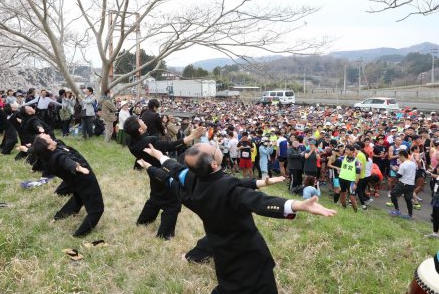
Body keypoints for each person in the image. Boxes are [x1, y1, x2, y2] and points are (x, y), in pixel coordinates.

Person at [138, 143, 336, 294]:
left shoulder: (192, 183)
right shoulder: (227, 188)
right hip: (249, 256)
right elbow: (260, 203)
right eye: (214, 148)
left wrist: (157, 156)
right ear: (214, 163)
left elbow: (173, 170)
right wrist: (298, 205)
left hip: (223, 253)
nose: (217, 147)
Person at [123, 115, 204, 239]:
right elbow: (170, 145)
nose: (143, 120)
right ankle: (164, 235)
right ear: (140, 129)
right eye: (140, 121)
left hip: (151, 170)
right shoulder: (150, 141)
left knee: (155, 196)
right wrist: (191, 137)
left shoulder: (131, 140)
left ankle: (144, 221)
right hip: (163, 170)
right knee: (173, 203)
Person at [25, 133, 104, 237]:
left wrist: (27, 148)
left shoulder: (47, 151)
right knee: (96, 210)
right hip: (84, 180)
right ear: (49, 146)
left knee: (78, 198)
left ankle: (58, 217)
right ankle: (79, 235)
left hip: (74, 181)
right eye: (48, 138)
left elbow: (35, 149)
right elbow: (67, 162)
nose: (48, 135)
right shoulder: (56, 156)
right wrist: (79, 168)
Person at [389, 149, 417, 219]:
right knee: (408, 199)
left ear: (402, 156)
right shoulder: (413, 163)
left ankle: (397, 210)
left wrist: (395, 170)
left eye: (399, 157)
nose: (398, 158)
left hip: (403, 183)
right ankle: (410, 215)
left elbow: (399, 175)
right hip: (411, 184)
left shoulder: (403, 164)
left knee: (393, 194)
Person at [338, 145, 361, 212]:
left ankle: (356, 211)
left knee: (352, 197)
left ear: (352, 151)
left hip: (351, 181)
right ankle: (344, 208)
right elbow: (334, 158)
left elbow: (358, 173)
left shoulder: (357, 161)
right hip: (342, 179)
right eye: (346, 149)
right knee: (342, 195)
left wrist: (355, 183)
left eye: (347, 150)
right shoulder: (342, 158)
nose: (346, 151)